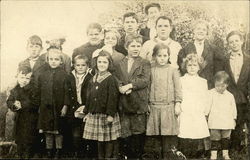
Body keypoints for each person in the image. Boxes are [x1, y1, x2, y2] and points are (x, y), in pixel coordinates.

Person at [115, 34, 151, 159]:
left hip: (138, 102)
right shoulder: (120, 62)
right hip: (124, 102)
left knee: (138, 131)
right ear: (126, 47)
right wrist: (120, 87)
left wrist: (130, 86)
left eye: (138, 46)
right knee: (125, 132)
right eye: (132, 46)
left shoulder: (145, 62)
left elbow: (145, 80)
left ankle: (137, 156)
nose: (136, 48)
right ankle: (127, 156)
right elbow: (117, 78)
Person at [146, 43, 182, 159]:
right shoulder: (151, 70)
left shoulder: (173, 70)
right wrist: (147, 103)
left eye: (165, 55)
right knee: (155, 137)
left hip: (168, 107)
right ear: (155, 56)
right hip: (154, 107)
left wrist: (177, 103)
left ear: (169, 56)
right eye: (159, 55)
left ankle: (168, 156)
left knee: (168, 137)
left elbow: (178, 88)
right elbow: (147, 87)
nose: (162, 58)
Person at [82, 51, 121, 159]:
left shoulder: (111, 79)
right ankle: (100, 157)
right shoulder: (93, 78)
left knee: (108, 139)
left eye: (105, 62)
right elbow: (89, 98)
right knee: (99, 139)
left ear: (109, 64)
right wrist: (87, 112)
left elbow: (113, 99)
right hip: (95, 114)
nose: (102, 64)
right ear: (96, 63)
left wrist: (110, 115)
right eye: (99, 62)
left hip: (106, 114)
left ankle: (108, 157)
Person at [33, 48, 70, 158]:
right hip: (46, 107)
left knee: (58, 130)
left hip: (58, 106)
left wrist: (65, 106)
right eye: (51, 59)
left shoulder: (64, 75)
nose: (53, 61)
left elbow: (67, 92)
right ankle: (49, 151)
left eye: (56, 59)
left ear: (61, 61)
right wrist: (39, 105)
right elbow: (38, 91)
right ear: (47, 60)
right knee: (48, 130)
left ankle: (58, 151)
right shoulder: (43, 74)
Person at [178, 54, 210, 159]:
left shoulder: (203, 81)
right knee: (185, 130)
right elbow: (179, 94)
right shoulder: (181, 80)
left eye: (195, 65)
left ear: (199, 67)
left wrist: (205, 110)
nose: (192, 67)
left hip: (197, 110)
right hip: (186, 109)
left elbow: (205, 97)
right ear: (185, 67)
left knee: (197, 130)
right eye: (189, 65)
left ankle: (197, 152)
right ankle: (185, 152)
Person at [177, 20, 225, 89]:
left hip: (208, 86)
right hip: (190, 86)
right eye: (198, 29)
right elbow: (182, 69)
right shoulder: (185, 50)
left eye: (204, 29)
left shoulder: (214, 50)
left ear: (207, 33)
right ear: (194, 31)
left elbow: (218, 70)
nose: (201, 31)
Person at [223, 31, 250, 151]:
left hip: (244, 94)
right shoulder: (224, 59)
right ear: (228, 44)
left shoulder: (248, 59)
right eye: (231, 42)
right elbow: (222, 77)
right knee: (230, 119)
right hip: (229, 94)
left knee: (241, 119)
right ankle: (230, 145)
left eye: (236, 41)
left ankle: (240, 146)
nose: (234, 44)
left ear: (242, 41)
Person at [6, 66, 38, 159]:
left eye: (27, 78)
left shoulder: (33, 89)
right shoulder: (15, 89)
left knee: (29, 136)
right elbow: (9, 101)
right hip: (19, 117)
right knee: (19, 136)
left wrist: (22, 104)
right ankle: (20, 153)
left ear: (31, 78)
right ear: (17, 77)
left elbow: (35, 102)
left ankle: (28, 154)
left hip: (30, 117)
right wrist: (14, 105)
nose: (24, 80)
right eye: (22, 77)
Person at [206, 71, 237, 160]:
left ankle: (225, 154)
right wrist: (206, 115)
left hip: (227, 121)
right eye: (217, 85)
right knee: (214, 138)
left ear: (227, 85)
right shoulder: (211, 93)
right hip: (214, 120)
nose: (220, 88)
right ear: (214, 83)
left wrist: (234, 118)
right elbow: (207, 105)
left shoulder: (230, 96)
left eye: (222, 86)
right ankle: (214, 155)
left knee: (225, 138)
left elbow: (233, 108)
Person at [67, 55, 93, 158]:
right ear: (74, 65)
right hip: (73, 107)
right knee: (75, 133)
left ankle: (85, 153)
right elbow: (67, 93)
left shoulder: (90, 77)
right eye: (78, 65)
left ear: (87, 66)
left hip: (85, 107)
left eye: (83, 65)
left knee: (85, 132)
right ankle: (76, 152)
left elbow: (91, 95)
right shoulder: (70, 77)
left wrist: (85, 106)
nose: (80, 67)